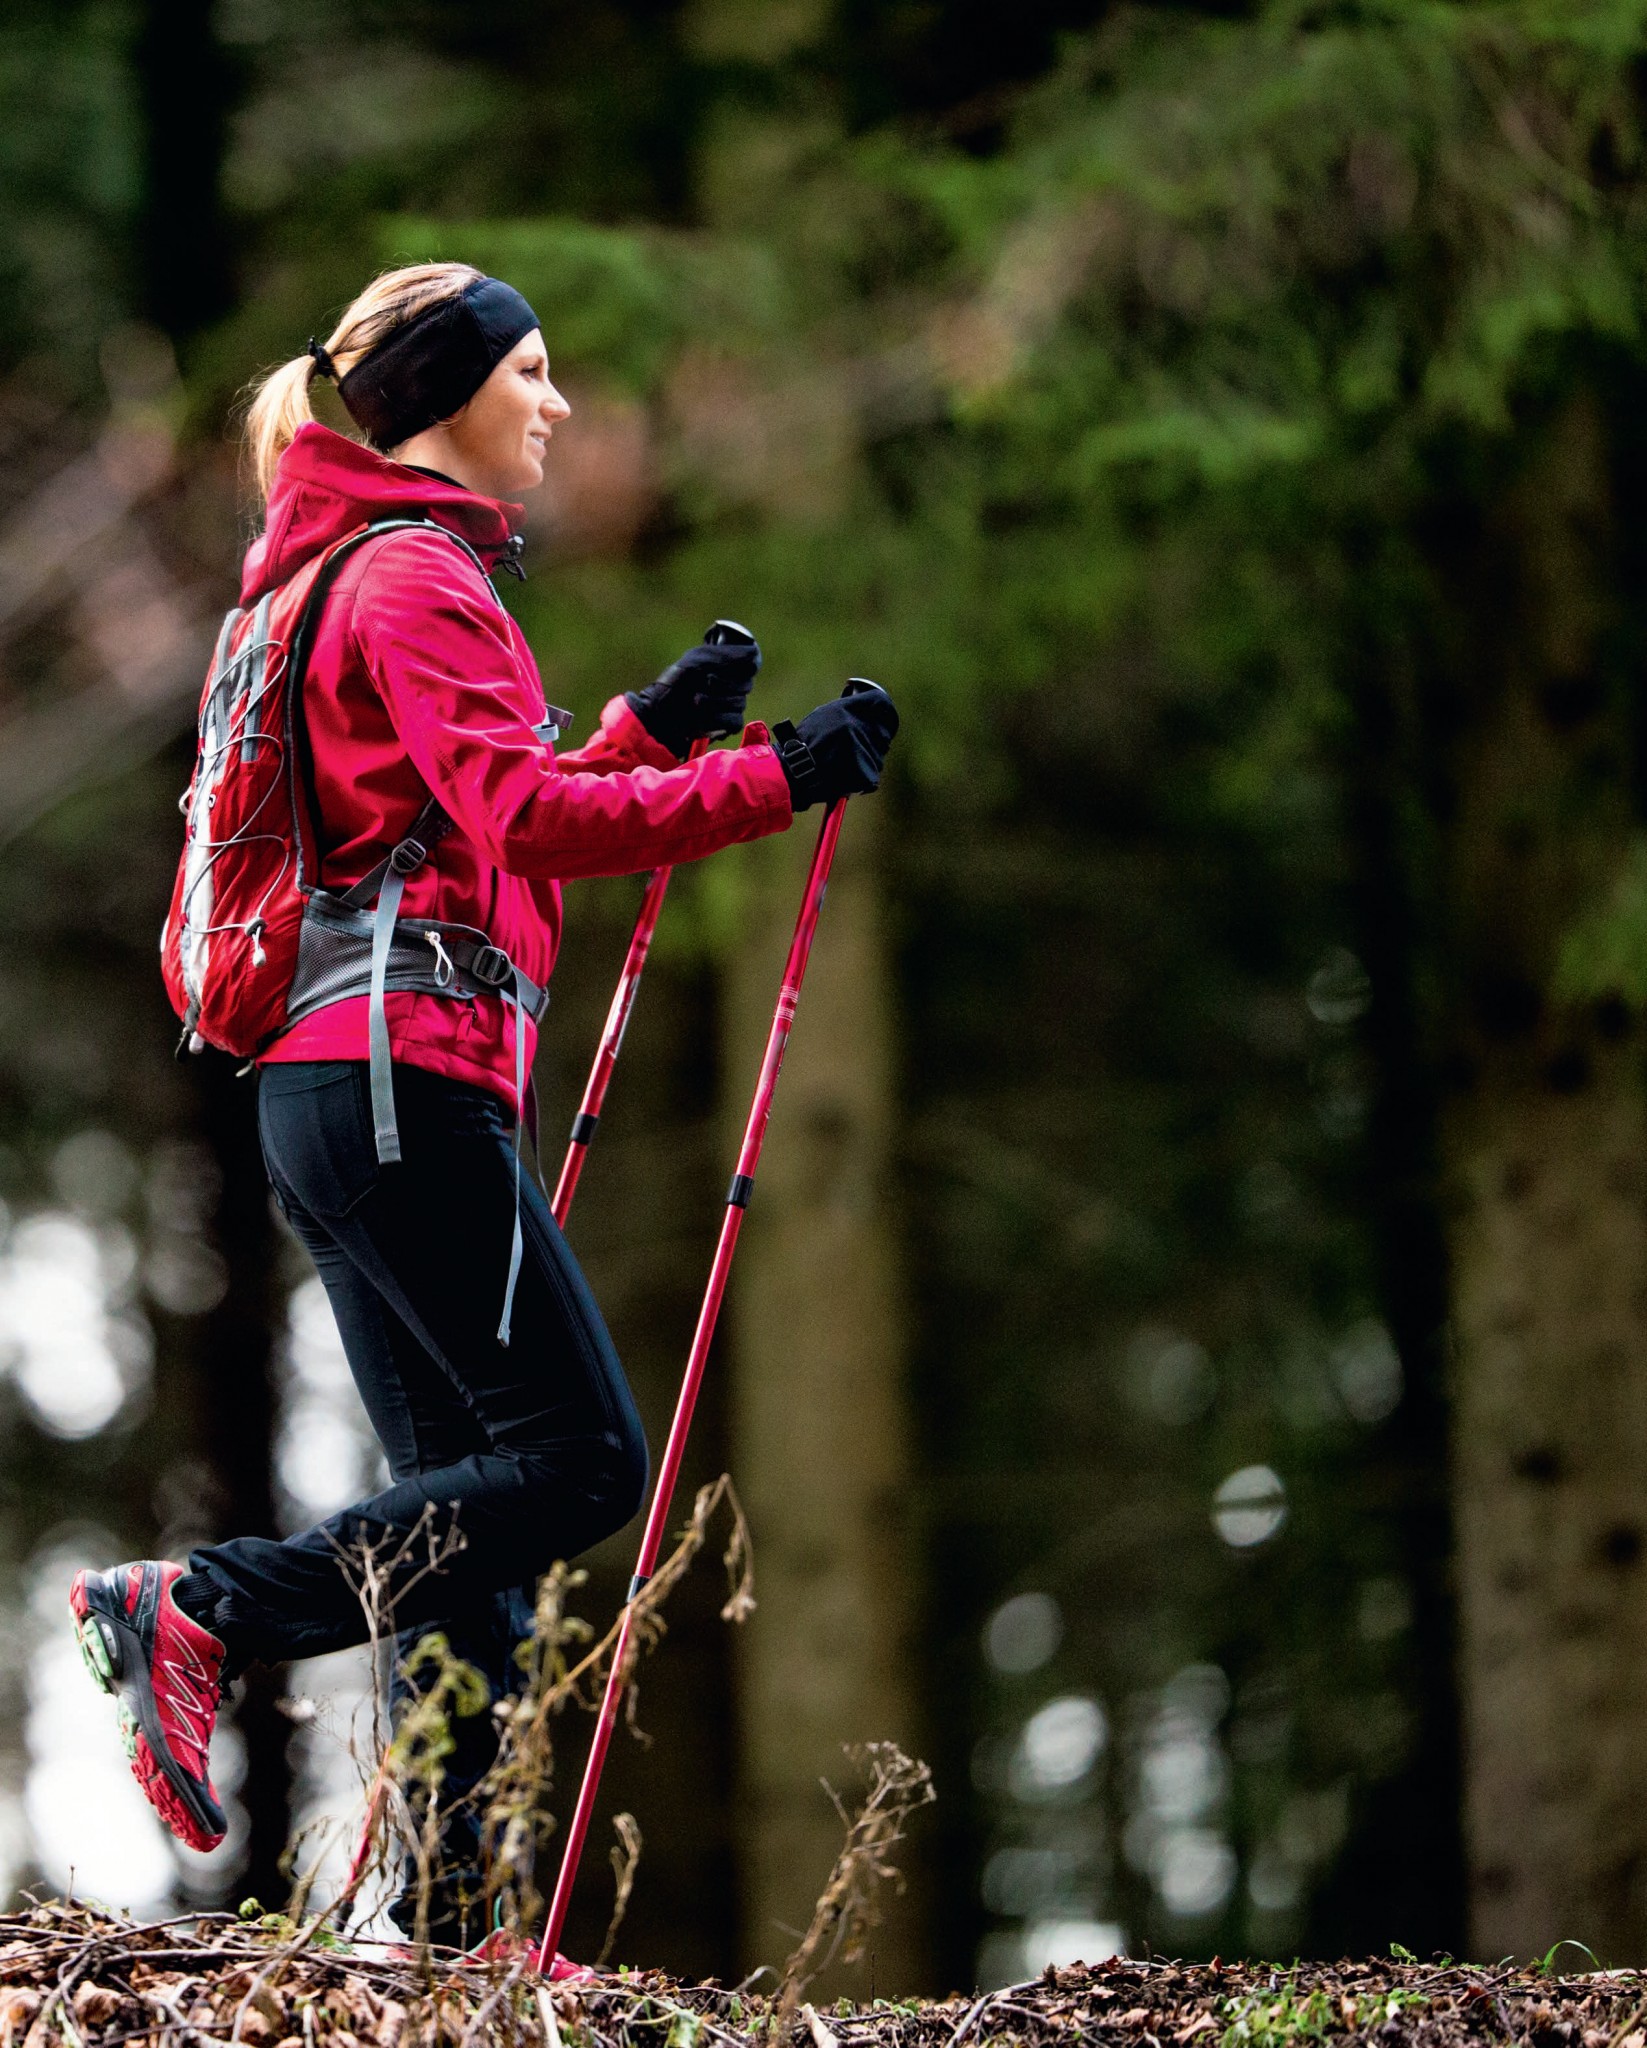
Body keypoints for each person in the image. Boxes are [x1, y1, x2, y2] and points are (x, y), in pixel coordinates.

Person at [66, 262, 898, 1941]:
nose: (559, 404)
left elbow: (459, 821)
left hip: (331, 1092)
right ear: (446, 395)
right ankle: (203, 1607)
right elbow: (527, 828)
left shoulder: (333, 572)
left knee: (465, 1513)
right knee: (580, 1463)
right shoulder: (415, 574)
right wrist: (775, 776)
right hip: (401, 1086)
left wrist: (645, 735)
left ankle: (458, 1943)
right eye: (530, 371)